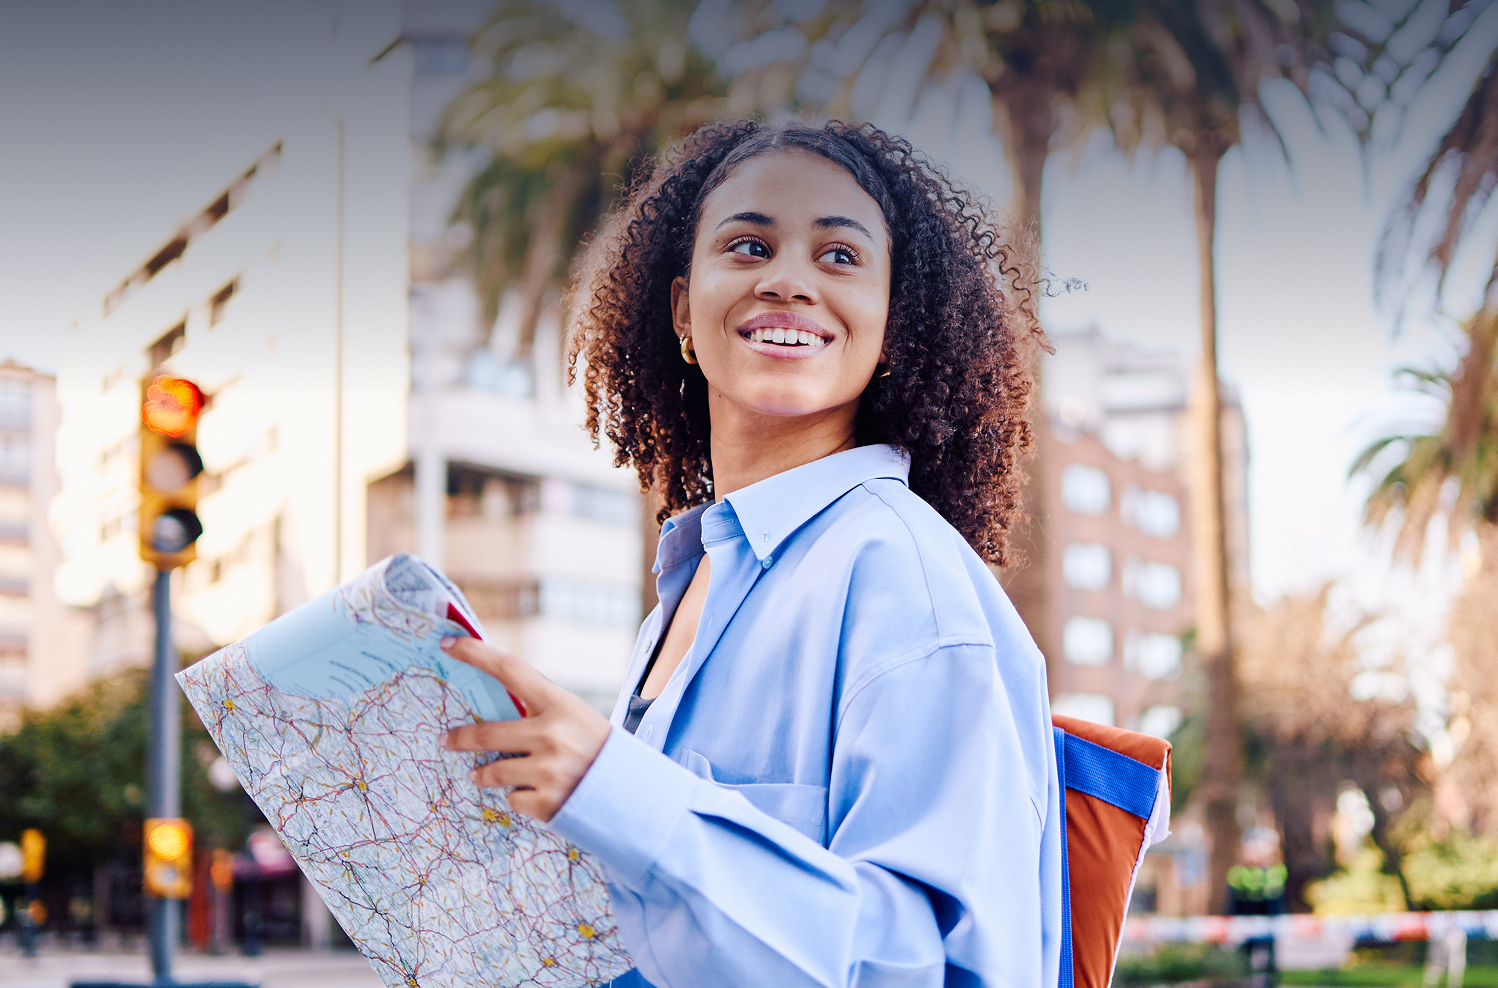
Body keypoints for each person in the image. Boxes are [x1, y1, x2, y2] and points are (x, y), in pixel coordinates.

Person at [444, 119, 1061, 988]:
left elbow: (922, 961)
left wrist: (616, 793)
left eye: (840, 257)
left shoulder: (899, 575)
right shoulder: (686, 591)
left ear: (893, 327)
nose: (786, 281)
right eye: (747, 244)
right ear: (681, 312)